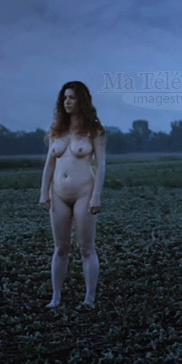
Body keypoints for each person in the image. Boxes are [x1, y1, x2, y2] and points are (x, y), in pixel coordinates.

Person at [39, 80, 107, 308]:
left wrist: (96, 195)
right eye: (65, 98)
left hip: (84, 193)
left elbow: (101, 166)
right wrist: (44, 192)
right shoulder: (56, 130)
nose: (67, 102)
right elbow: (49, 164)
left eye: (72, 98)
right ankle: (56, 298)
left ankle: (89, 299)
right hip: (58, 194)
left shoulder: (94, 130)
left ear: (82, 101)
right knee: (60, 248)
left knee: (86, 248)